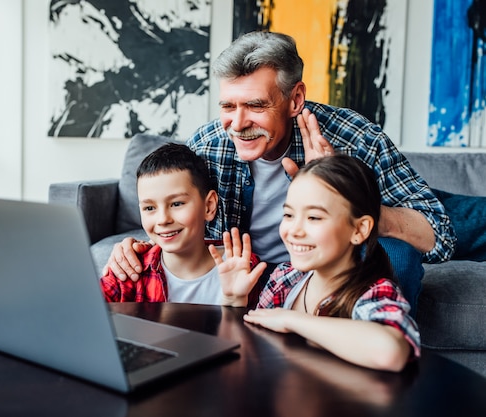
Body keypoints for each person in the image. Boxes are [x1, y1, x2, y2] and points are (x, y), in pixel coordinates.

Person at [105, 31, 456, 312]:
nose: (238, 124)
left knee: (408, 249)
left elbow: (439, 236)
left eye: (256, 105)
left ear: (295, 99)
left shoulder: (354, 136)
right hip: (255, 274)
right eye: (228, 106)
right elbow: (177, 211)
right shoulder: (208, 144)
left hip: (327, 258)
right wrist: (136, 246)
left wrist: (343, 196)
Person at [211, 155, 420, 372]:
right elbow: (248, 352)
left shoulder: (374, 293)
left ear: (359, 230)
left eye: (314, 218)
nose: (294, 230)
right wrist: (233, 299)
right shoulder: (284, 278)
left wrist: (293, 321)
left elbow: (391, 352)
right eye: (289, 214)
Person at [100, 142, 264, 306]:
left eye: (177, 204)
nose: (163, 219)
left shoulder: (243, 267)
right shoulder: (128, 271)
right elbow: (83, 313)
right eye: (150, 208)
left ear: (209, 206)